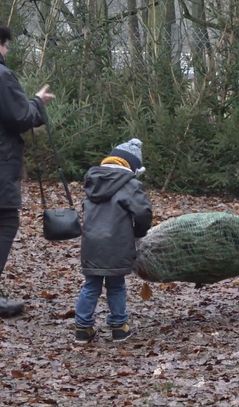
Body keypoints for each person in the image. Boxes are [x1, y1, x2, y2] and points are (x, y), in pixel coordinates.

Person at [0, 24, 55, 318]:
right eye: (6, 45)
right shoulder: (2, 76)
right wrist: (37, 102)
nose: (7, 51)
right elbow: (21, 118)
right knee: (6, 221)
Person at [74, 138, 152, 343]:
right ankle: (119, 326)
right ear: (131, 165)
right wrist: (139, 232)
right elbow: (143, 212)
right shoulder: (129, 184)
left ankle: (83, 328)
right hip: (118, 242)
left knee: (91, 285)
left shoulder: (93, 179)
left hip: (91, 242)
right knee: (116, 285)